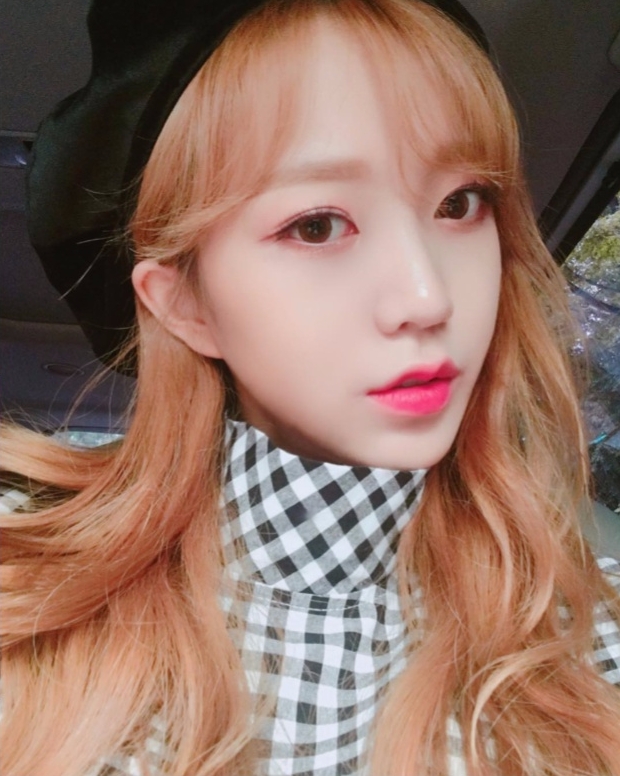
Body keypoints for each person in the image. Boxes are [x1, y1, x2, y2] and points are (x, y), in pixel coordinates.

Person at [1, 1, 619, 774]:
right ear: (187, 306)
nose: (427, 297)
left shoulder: (591, 632)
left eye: (459, 204)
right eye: (318, 225)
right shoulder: (25, 599)